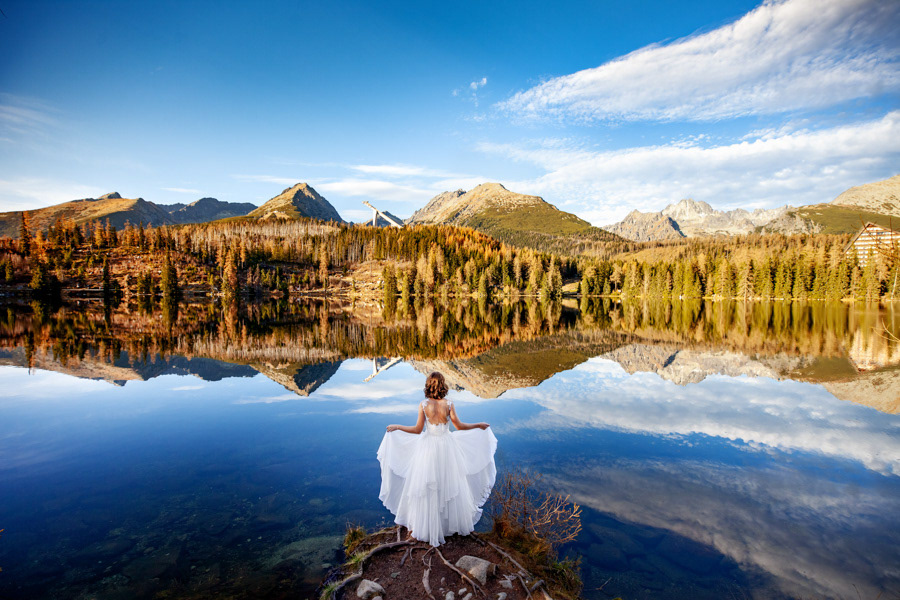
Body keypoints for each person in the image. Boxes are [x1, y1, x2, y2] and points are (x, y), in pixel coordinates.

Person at [377, 371, 497, 547]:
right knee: (448, 483)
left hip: (428, 448)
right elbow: (459, 426)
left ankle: (427, 527)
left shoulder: (424, 404)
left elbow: (417, 430)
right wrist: (478, 425)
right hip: (447, 446)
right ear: (442, 385)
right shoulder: (449, 404)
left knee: (427, 486)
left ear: (428, 385)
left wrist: (398, 427)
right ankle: (447, 525)